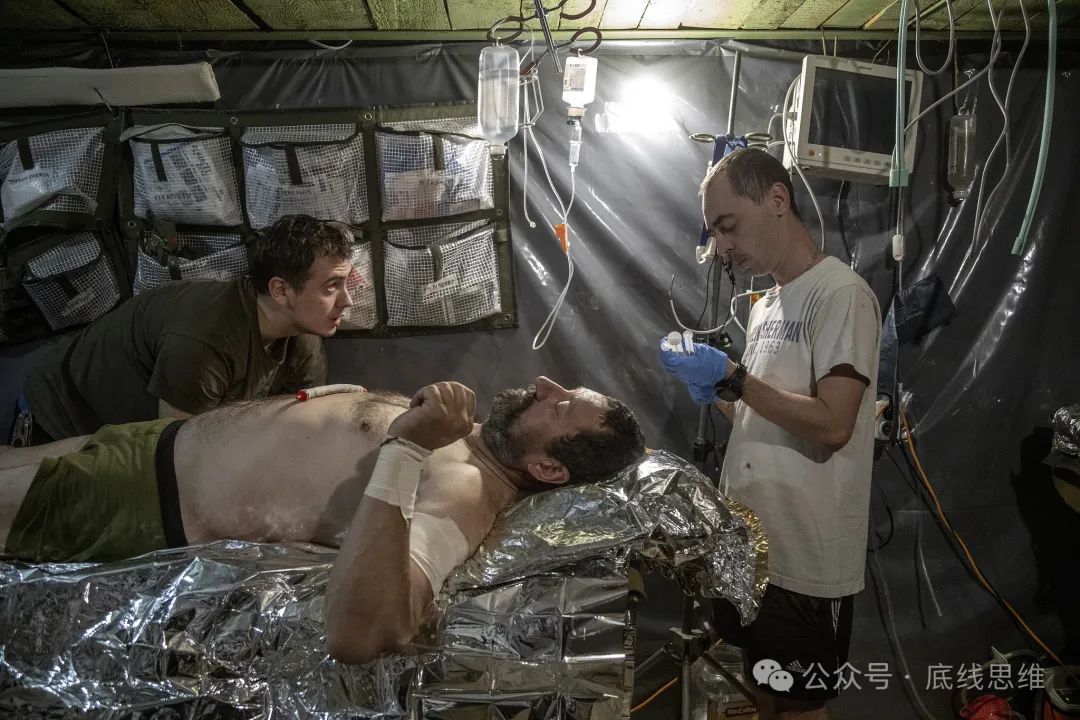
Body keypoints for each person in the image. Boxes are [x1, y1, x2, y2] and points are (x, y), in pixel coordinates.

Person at [0, 376, 645, 665]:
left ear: (549, 468)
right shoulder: (465, 440)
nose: (545, 385)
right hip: (152, 444)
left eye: (562, 408)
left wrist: (406, 447)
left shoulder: (467, 492)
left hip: (148, 494)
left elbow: (363, 633)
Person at [661, 149, 881, 719]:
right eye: (714, 233)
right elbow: (764, 417)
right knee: (766, 692)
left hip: (806, 560)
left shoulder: (840, 294)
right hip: (756, 551)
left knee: (801, 707)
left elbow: (833, 424)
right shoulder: (766, 307)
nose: (721, 247)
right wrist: (719, 393)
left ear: (777, 200)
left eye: (728, 225)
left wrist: (735, 378)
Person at [12, 214, 355, 443]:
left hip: (145, 440)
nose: (347, 301)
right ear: (280, 290)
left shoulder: (304, 336)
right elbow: (178, 456)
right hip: (59, 423)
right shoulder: (204, 337)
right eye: (331, 287)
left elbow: (294, 431)